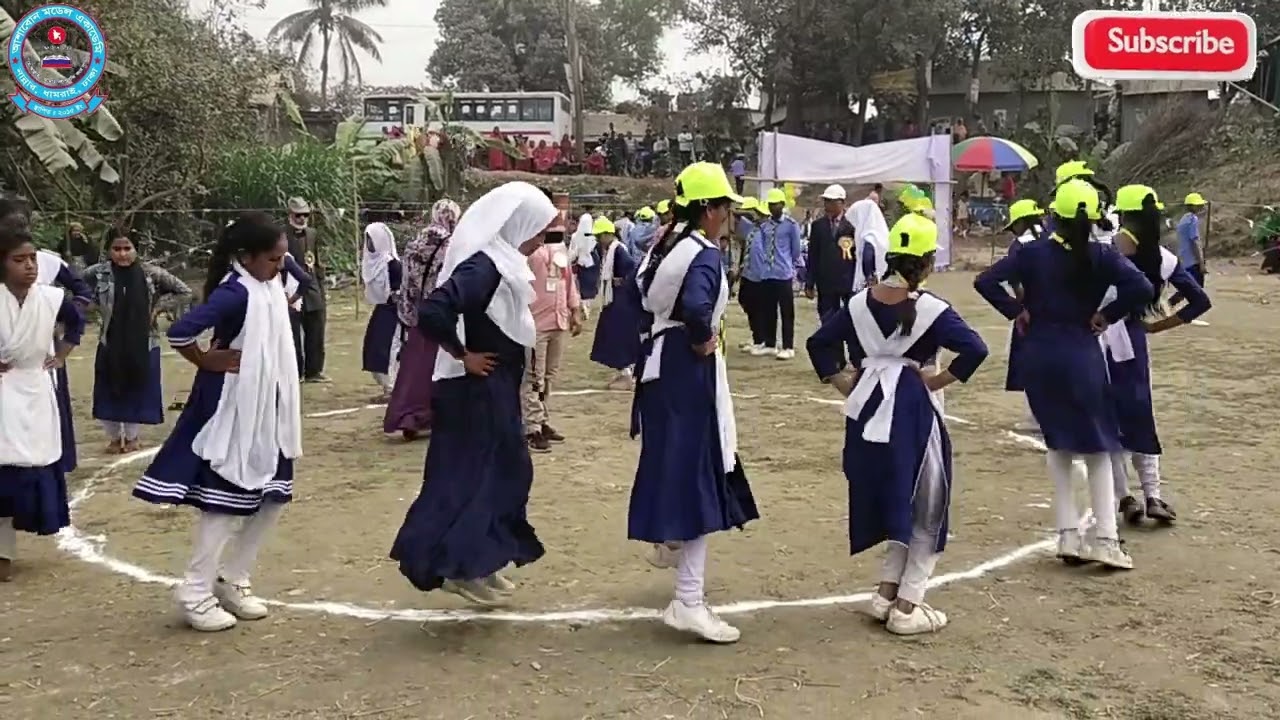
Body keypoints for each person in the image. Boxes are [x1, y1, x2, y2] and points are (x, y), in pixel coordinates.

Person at [807, 213, 988, 635]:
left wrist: (844, 383)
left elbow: (819, 343)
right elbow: (975, 349)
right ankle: (908, 604)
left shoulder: (858, 303)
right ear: (926, 262)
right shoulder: (931, 309)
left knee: (895, 496)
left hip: (867, 408)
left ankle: (887, 592)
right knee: (927, 502)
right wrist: (934, 381)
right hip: (911, 409)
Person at [132, 212, 302, 631]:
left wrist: (285, 263)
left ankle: (234, 576)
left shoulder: (270, 284)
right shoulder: (236, 293)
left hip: (268, 407)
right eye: (273, 259)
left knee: (273, 495)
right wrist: (206, 359)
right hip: (231, 404)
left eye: (283, 258)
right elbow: (181, 332)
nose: (281, 266)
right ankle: (195, 591)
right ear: (246, 257)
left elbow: (301, 285)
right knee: (224, 500)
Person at [974, 179, 1153, 571]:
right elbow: (1142, 287)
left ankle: (1067, 535)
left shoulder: (1032, 253)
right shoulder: (1101, 255)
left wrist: (1016, 310)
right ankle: (1106, 539)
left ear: (1055, 216)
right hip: (1080, 353)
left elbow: (985, 281)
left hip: (1039, 354)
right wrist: (1107, 315)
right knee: (1100, 447)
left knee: (1057, 444)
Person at [389, 182, 554, 607]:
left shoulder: (504, 263)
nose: (542, 240)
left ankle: (482, 560)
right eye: (539, 230)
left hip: (494, 388)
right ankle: (457, 566)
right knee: (470, 479)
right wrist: (463, 355)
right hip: (473, 392)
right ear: (518, 225)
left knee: (504, 473)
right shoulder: (484, 267)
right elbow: (434, 310)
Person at [630, 162, 758, 643]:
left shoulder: (665, 244)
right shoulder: (701, 253)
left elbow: (642, 298)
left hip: (660, 365)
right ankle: (688, 598)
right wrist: (703, 339)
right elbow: (698, 309)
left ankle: (669, 538)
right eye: (724, 206)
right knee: (699, 474)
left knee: (674, 463)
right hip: (686, 368)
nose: (728, 215)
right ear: (708, 208)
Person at [1102, 185, 1211, 525]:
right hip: (1134, 342)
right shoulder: (1164, 258)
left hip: (1097, 339)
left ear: (1123, 214)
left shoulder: (1105, 251)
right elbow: (1200, 301)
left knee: (1106, 420)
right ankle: (1153, 495)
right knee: (1140, 414)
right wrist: (1157, 326)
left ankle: (1125, 498)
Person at [0, 224, 84, 582]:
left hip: (35, 387)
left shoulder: (50, 298)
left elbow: (76, 322)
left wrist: (60, 356)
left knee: (27, 465)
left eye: (32, 258)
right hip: (3, 388)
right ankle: (2, 552)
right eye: (19, 260)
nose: (29, 266)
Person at [1, 195, 92, 473]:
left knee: (45, 425)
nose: (29, 264)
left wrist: (55, 321)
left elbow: (81, 294)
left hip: (38, 352)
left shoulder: (48, 265)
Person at [84, 228, 192, 453]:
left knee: (138, 386)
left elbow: (184, 291)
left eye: (127, 248)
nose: (122, 254)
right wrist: (91, 305)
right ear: (108, 251)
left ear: (136, 249)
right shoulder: (98, 273)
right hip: (110, 340)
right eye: (117, 249)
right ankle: (114, 438)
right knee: (108, 389)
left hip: (144, 341)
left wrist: (158, 308)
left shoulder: (151, 273)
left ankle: (132, 437)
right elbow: (72, 287)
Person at [384, 199, 460, 441]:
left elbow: (407, 281)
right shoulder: (451, 245)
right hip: (441, 313)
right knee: (437, 366)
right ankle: (430, 415)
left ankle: (408, 416)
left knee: (414, 366)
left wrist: (409, 312)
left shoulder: (415, 242)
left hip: (419, 314)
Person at [523, 218, 583, 452]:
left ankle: (542, 419)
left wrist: (574, 310)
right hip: (535, 322)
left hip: (558, 320)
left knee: (548, 376)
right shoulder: (529, 246)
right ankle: (532, 427)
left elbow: (568, 281)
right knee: (534, 377)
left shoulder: (559, 247)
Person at [999, 200, 1045, 433]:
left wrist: (1021, 307)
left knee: (1031, 365)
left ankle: (1036, 417)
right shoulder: (1053, 238)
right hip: (1060, 310)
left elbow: (1015, 282)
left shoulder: (1020, 246)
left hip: (1032, 312)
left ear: (1020, 223)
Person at [742, 189, 802, 360]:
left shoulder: (791, 225)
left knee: (786, 311)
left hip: (783, 274)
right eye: (770, 204)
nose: (772, 207)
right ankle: (770, 344)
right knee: (768, 310)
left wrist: (787, 263)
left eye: (775, 204)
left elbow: (796, 250)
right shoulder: (765, 226)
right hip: (767, 273)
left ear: (782, 205)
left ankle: (788, 346)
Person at [589, 216, 640, 389]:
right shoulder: (612, 250)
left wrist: (623, 281)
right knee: (611, 335)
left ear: (607, 234)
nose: (597, 240)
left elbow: (632, 268)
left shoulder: (618, 250)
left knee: (618, 335)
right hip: (616, 299)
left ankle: (627, 373)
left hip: (621, 301)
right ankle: (624, 371)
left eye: (599, 236)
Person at [285, 197, 328, 383]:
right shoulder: (281, 235)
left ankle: (314, 371)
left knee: (316, 331)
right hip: (291, 290)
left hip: (312, 288)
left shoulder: (312, 234)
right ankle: (296, 371)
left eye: (305, 215)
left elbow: (316, 262)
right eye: (298, 215)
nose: (302, 218)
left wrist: (321, 288)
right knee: (292, 335)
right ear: (290, 215)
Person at [360, 221, 402, 398]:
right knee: (373, 348)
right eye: (367, 240)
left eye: (372, 240)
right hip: (381, 309)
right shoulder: (372, 263)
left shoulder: (393, 265)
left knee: (389, 348)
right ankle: (386, 386)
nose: (369, 244)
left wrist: (395, 297)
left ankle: (393, 387)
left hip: (394, 312)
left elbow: (400, 290)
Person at [845, 186, 889, 293]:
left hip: (869, 285)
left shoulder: (869, 238)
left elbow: (867, 259)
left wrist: (868, 278)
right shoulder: (880, 234)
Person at [1170, 192, 1208, 305]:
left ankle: (1167, 306)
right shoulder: (1192, 219)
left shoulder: (1184, 219)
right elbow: (1195, 242)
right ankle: (1167, 307)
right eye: (1199, 205)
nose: (1201, 207)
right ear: (1193, 206)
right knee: (1194, 289)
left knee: (1188, 288)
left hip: (1184, 259)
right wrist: (1201, 263)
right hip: (1192, 261)